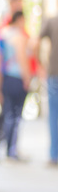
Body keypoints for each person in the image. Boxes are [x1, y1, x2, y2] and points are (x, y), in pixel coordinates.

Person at [0, 11, 32, 163]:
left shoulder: (2, 34)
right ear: (20, 20)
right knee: (16, 116)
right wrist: (27, 78)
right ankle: (11, 150)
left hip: (5, 78)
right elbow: (22, 58)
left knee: (6, 115)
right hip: (17, 78)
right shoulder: (19, 36)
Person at [37, 9, 58, 166]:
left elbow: (34, 43)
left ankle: (54, 155)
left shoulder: (52, 21)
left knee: (54, 116)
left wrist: (41, 66)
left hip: (54, 74)